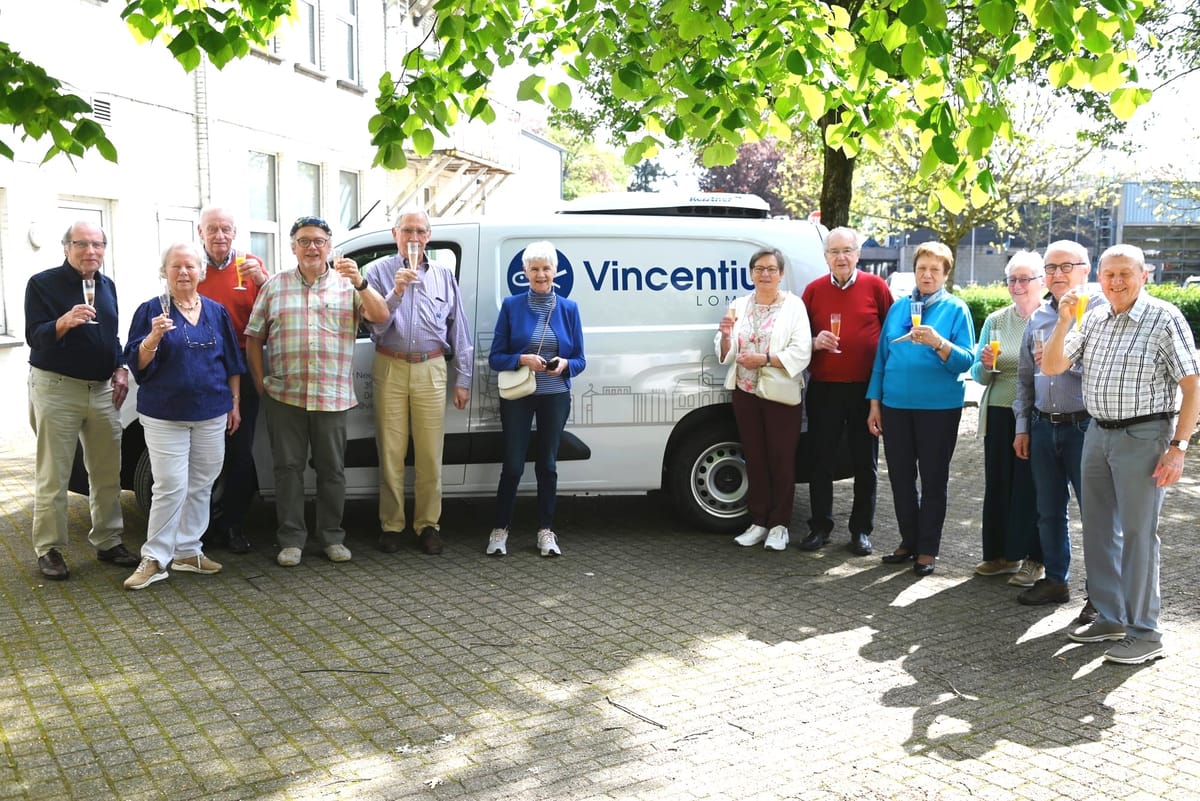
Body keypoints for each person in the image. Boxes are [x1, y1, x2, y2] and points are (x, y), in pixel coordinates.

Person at [1043, 243, 1199, 664]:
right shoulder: (1094, 317)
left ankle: (1146, 633)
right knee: (1097, 531)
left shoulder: (1164, 318)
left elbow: (1192, 386)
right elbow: (1053, 366)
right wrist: (1061, 323)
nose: (1115, 282)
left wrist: (1178, 448)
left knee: (1138, 536)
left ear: (1143, 275)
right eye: (1108, 275)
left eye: (1124, 274)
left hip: (1145, 437)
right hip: (1098, 433)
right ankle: (1110, 618)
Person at [245, 216, 389, 567]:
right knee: (287, 470)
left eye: (319, 241)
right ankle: (291, 539)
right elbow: (253, 338)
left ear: (329, 246)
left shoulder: (347, 285)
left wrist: (361, 283)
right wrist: (261, 383)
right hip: (285, 397)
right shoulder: (274, 286)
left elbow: (381, 316)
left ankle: (331, 537)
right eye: (305, 241)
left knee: (332, 471)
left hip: (331, 398)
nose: (312, 247)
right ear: (293, 247)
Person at [120, 243, 246, 590]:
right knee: (169, 485)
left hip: (211, 412)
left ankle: (189, 551)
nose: (184, 272)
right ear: (165, 272)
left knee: (203, 482)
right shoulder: (150, 310)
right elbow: (137, 362)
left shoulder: (216, 311)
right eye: (176, 266)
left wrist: (234, 403)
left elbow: (232, 362)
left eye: (190, 266)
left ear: (200, 272)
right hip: (165, 414)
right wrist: (154, 337)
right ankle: (155, 558)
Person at [24, 221, 140, 580]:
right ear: (66, 248)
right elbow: (34, 337)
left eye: (97, 244)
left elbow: (111, 337)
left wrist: (121, 367)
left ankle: (108, 540)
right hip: (58, 387)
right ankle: (49, 548)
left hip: (102, 389)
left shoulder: (107, 286)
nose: (91, 251)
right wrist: (64, 322)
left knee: (107, 471)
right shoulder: (42, 284)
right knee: (54, 472)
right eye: (81, 244)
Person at [363, 209, 473, 556]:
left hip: (431, 367)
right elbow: (375, 326)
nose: (413, 236)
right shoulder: (378, 271)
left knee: (429, 453)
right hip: (391, 365)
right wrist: (396, 291)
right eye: (407, 230)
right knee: (391, 452)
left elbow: (459, 329)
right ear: (395, 233)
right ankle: (391, 525)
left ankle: (428, 525)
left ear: (429, 235)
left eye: (420, 231)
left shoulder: (443, 274)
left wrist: (464, 379)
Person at [867, 242, 975, 576]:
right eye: (921, 269)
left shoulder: (956, 309)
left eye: (934, 270)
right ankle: (908, 541)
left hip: (938, 409)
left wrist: (939, 343)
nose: (927, 275)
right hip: (895, 405)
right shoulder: (899, 308)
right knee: (900, 478)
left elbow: (965, 360)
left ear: (945, 274)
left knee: (933, 479)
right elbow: (881, 360)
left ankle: (927, 549)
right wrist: (874, 404)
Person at [486, 241, 586, 557]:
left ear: (555, 272)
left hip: (554, 395)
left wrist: (566, 364)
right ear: (525, 272)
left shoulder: (569, 309)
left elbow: (581, 358)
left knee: (548, 464)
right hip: (519, 396)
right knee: (513, 465)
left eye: (546, 268)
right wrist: (522, 359)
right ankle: (500, 530)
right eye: (534, 268)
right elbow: (495, 357)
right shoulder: (512, 306)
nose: (541, 274)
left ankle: (546, 531)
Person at [1012, 240, 1095, 615]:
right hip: (1044, 426)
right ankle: (1056, 581)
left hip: (1086, 427)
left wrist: (1062, 361)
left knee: (1096, 513)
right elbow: (1025, 380)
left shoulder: (1099, 315)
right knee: (1048, 509)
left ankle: (1101, 594)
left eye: (1066, 266)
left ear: (1085, 270)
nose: (1057, 275)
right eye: (1051, 268)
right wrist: (1022, 426)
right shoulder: (1038, 318)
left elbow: (1104, 376)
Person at [800, 226, 893, 556]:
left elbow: (890, 336)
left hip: (865, 392)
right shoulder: (812, 291)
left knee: (864, 463)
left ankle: (861, 530)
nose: (841, 257)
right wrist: (814, 341)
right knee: (820, 460)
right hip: (824, 388)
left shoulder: (876, 287)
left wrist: (880, 393)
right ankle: (820, 527)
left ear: (858, 253)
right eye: (834, 251)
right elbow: (796, 340)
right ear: (825, 257)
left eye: (847, 250)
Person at [717, 248, 812, 552]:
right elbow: (725, 352)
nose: (765, 274)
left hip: (781, 395)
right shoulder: (740, 304)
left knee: (781, 459)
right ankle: (759, 522)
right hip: (745, 392)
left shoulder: (794, 306)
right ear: (751, 273)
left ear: (781, 274)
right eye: (759, 269)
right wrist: (727, 336)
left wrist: (765, 359)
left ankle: (779, 525)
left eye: (771, 269)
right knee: (754, 458)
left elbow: (802, 351)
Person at [969, 252, 1044, 587]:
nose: (1017, 285)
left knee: (1032, 488)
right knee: (999, 484)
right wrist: (985, 365)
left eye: (1024, 279)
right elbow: (978, 376)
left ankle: (1033, 559)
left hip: (1037, 414)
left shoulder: (1050, 319)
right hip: (1000, 412)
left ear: (1040, 281)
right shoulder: (996, 321)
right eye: (1012, 279)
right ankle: (1000, 555)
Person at [196, 206, 269, 554]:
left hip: (243, 366)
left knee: (240, 453)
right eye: (213, 229)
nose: (220, 236)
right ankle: (202, 525)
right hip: (204, 370)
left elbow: (276, 311)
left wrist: (262, 282)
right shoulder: (192, 269)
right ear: (201, 233)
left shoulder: (251, 266)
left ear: (235, 233)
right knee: (206, 454)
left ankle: (233, 525)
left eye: (225, 229)